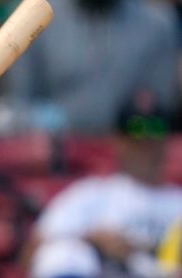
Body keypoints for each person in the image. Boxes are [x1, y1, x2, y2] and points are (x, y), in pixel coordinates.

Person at [0, 0, 178, 133]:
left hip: (129, 142)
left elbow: (161, 104)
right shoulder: (38, 14)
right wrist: (44, 123)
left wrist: (134, 129)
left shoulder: (157, 21)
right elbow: (18, 101)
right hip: (53, 145)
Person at [25, 94, 182, 277]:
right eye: (137, 131)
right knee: (64, 254)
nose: (148, 143)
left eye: (157, 129)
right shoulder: (93, 194)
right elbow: (31, 253)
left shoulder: (177, 201)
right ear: (119, 141)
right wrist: (91, 241)